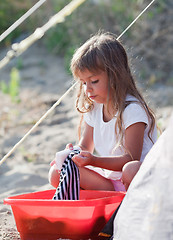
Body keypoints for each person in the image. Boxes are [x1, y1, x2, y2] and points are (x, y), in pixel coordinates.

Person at [49, 31, 157, 192]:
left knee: (131, 168)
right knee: (56, 173)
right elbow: (86, 146)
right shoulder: (94, 108)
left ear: (115, 76)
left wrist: (93, 161)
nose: (88, 89)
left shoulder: (132, 110)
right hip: (110, 181)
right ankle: (108, 201)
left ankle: (124, 204)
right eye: (83, 83)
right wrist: (73, 155)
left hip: (136, 180)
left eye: (93, 81)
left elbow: (131, 158)